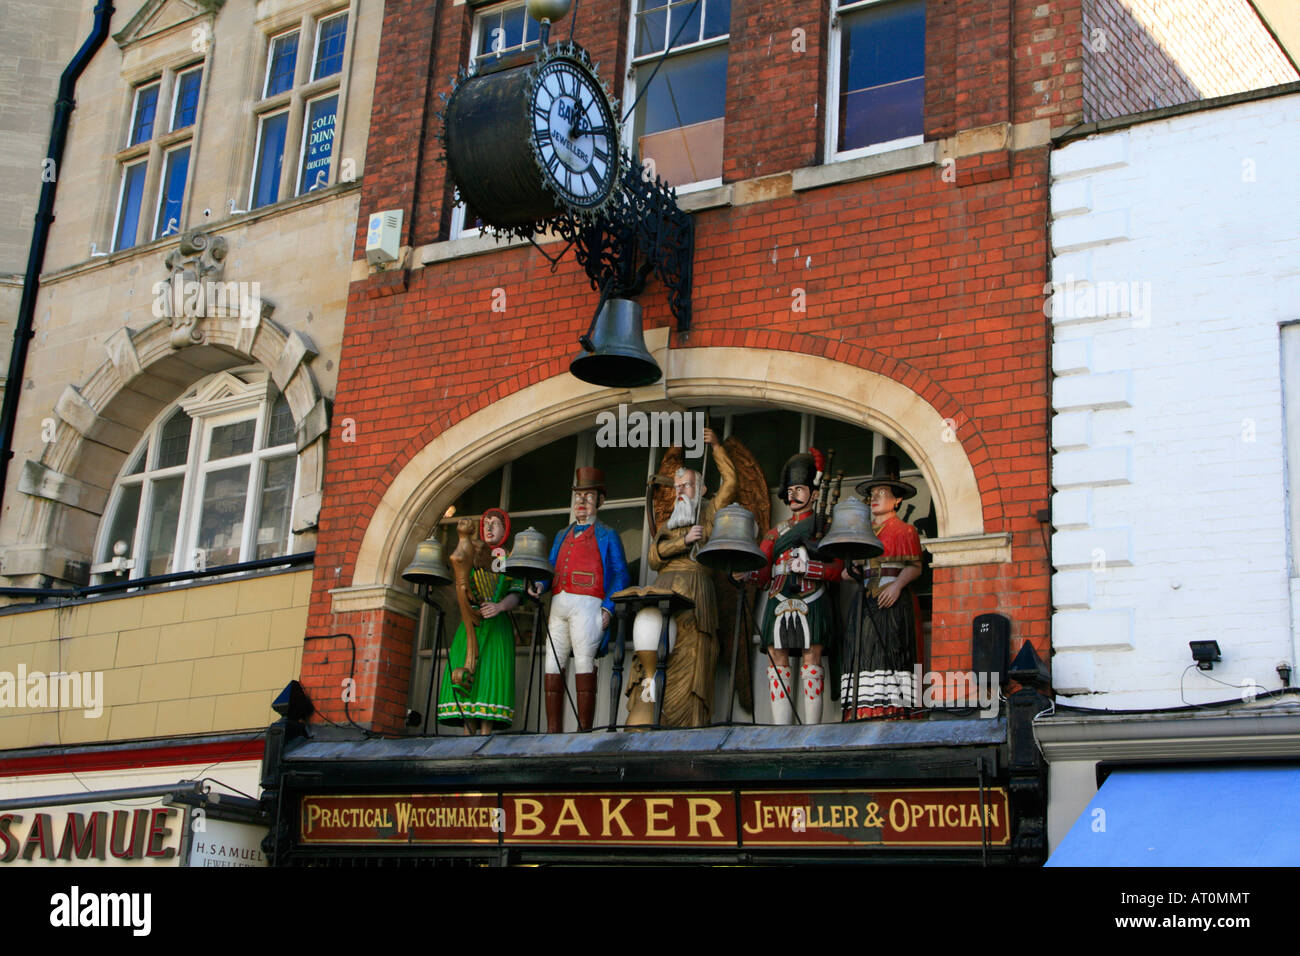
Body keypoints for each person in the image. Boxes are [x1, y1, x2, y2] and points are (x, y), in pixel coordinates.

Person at [628, 427, 737, 727]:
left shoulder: (709, 513)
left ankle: (687, 723)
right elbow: (653, 557)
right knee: (653, 651)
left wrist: (716, 447)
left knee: (693, 656)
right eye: (677, 487)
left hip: (696, 592)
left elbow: (731, 482)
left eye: (686, 486)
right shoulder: (669, 524)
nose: (679, 492)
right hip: (663, 589)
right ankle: (646, 715)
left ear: (701, 490)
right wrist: (683, 541)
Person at [530, 468, 631, 732]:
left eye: (588, 496)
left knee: (585, 662)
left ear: (600, 501)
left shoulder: (607, 534)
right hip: (559, 606)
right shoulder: (562, 534)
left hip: (588, 605)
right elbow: (551, 566)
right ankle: (553, 730)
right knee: (553, 662)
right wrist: (540, 585)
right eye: (578, 496)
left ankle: (583, 730)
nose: (582, 502)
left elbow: (621, 574)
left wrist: (608, 608)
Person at [750, 449, 842, 724]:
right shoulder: (775, 532)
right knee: (776, 654)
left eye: (799, 489)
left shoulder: (825, 527)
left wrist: (810, 568)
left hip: (812, 595)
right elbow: (762, 571)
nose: (793, 495)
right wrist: (746, 574)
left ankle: (811, 728)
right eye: (790, 490)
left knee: (811, 654)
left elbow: (838, 569)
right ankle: (781, 729)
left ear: (814, 494)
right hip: (779, 596)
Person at [841, 455, 924, 720]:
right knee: (863, 652)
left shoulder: (905, 531)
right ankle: (862, 710)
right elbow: (849, 572)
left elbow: (915, 566)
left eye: (882, 492)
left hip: (892, 600)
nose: (875, 498)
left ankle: (893, 710)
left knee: (893, 652)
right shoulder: (862, 531)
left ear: (897, 499)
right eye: (873, 493)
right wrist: (850, 570)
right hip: (866, 600)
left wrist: (897, 585)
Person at [437, 508, 524, 734]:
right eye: (486, 523)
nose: (489, 527)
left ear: (505, 529)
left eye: (495, 523)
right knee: (468, 670)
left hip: (497, 624)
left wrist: (499, 606)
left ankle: (486, 730)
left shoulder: (511, 558)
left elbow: (516, 593)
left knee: (490, 674)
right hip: (472, 622)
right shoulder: (472, 553)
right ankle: (468, 730)